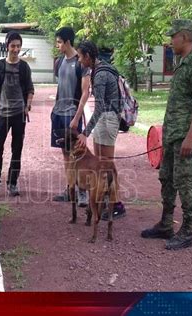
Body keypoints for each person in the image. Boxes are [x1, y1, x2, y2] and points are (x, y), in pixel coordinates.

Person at [141, 19, 192, 250]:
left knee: (184, 181)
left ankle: (188, 231)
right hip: (172, 133)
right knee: (167, 178)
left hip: (185, 135)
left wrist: (191, 136)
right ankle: (165, 224)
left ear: (184, 36)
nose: (170, 41)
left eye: (173, 36)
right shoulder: (182, 62)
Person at [75, 40, 126, 220]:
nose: (80, 60)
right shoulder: (99, 69)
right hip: (104, 119)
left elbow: (99, 107)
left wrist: (85, 133)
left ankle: (116, 204)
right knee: (100, 164)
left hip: (108, 119)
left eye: (81, 56)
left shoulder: (101, 74)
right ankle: (105, 201)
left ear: (88, 56)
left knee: (106, 164)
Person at [0, 31, 34, 197]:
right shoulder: (0, 66)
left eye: (18, 46)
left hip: (19, 115)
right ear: (7, 46)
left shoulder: (24, 67)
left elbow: (30, 90)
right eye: (13, 46)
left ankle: (12, 183)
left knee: (17, 149)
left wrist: (27, 107)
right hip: (3, 114)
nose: (15, 49)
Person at [51, 27, 90, 207]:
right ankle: (70, 189)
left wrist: (77, 117)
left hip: (72, 115)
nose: (57, 45)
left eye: (59, 42)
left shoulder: (80, 63)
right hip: (59, 114)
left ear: (67, 42)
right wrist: (54, 111)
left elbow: (85, 93)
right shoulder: (59, 62)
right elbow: (60, 87)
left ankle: (82, 192)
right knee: (66, 155)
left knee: (78, 154)